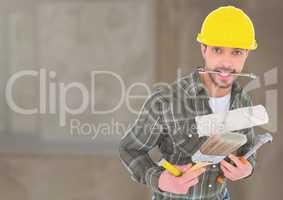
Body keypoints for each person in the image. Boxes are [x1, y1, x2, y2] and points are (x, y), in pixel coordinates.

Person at [119, 5, 257, 200]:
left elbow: (248, 149)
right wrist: (159, 180)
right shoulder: (165, 101)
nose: (226, 63)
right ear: (204, 49)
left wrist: (247, 168)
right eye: (218, 50)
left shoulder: (243, 101)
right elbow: (130, 149)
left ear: (246, 54)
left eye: (236, 52)